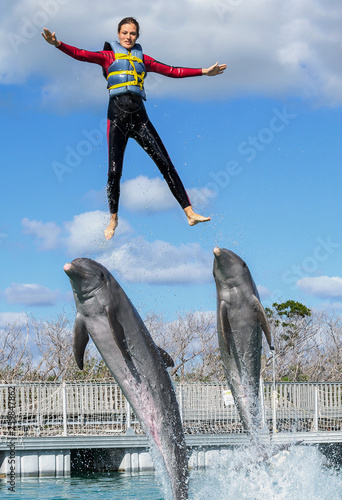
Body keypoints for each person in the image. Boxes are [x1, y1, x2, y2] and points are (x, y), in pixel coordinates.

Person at [42, 18, 227, 239]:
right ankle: (113, 218)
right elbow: (81, 54)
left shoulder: (144, 60)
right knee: (114, 172)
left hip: (140, 119)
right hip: (117, 118)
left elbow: (172, 70)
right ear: (118, 34)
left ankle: (189, 213)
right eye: (125, 33)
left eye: (132, 34)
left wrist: (205, 71)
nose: (128, 37)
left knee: (165, 163)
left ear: (137, 36)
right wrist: (57, 44)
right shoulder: (108, 57)